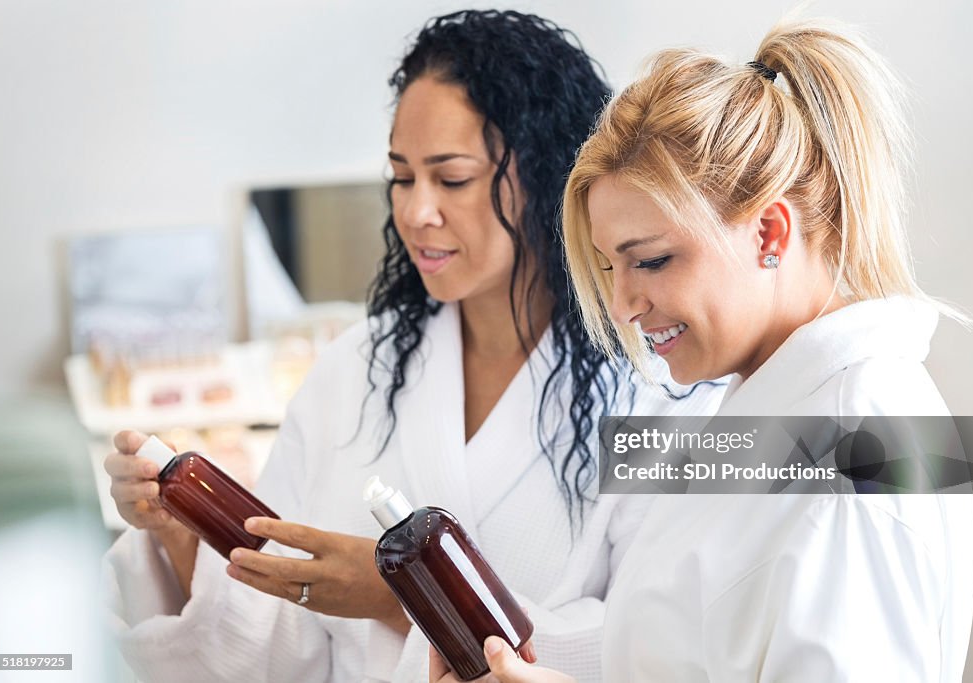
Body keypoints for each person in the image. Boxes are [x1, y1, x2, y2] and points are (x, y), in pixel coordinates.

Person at [102, 10, 724, 683]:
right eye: (402, 177)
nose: (416, 211)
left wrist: (399, 593)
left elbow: (660, 642)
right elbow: (275, 646)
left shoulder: (652, 386)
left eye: (450, 179)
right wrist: (178, 531)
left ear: (546, 174)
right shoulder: (356, 372)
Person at [433, 16, 973, 683]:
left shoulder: (860, 448)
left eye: (654, 260)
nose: (624, 306)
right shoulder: (767, 409)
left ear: (770, 233)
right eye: (609, 267)